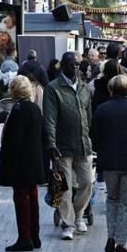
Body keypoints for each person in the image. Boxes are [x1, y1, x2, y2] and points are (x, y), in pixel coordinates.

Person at [91, 75, 127, 252]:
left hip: (108, 162)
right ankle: (120, 243)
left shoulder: (101, 110)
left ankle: (110, 236)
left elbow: (94, 136)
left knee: (112, 199)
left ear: (111, 89)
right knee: (126, 203)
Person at [43, 52, 94, 240]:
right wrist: (51, 142)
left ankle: (79, 214)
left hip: (83, 144)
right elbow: (49, 118)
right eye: (72, 64)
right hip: (63, 145)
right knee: (64, 187)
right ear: (62, 66)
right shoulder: (53, 88)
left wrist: (89, 137)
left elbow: (88, 116)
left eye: (78, 64)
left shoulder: (84, 87)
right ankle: (68, 223)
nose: (75, 67)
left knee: (87, 181)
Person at [0, 76, 46, 251]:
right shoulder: (34, 108)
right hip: (34, 161)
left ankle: (25, 238)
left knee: (22, 200)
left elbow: (14, 140)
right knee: (32, 198)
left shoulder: (18, 109)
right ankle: (34, 235)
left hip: (21, 163)